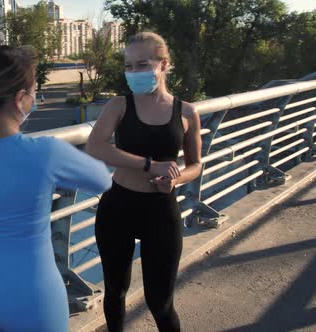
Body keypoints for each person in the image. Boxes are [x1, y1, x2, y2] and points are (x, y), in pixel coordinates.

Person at [0, 45, 112, 332]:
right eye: (35, 92)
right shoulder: (46, 152)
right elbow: (101, 180)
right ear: (21, 98)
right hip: (32, 295)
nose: (35, 99)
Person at [86, 32, 202, 332]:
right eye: (129, 66)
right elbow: (96, 146)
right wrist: (150, 165)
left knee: (160, 302)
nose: (134, 73)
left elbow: (195, 166)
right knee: (115, 291)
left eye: (142, 64)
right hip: (118, 208)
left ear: (163, 65)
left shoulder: (187, 112)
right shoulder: (119, 106)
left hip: (161, 212)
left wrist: (176, 180)